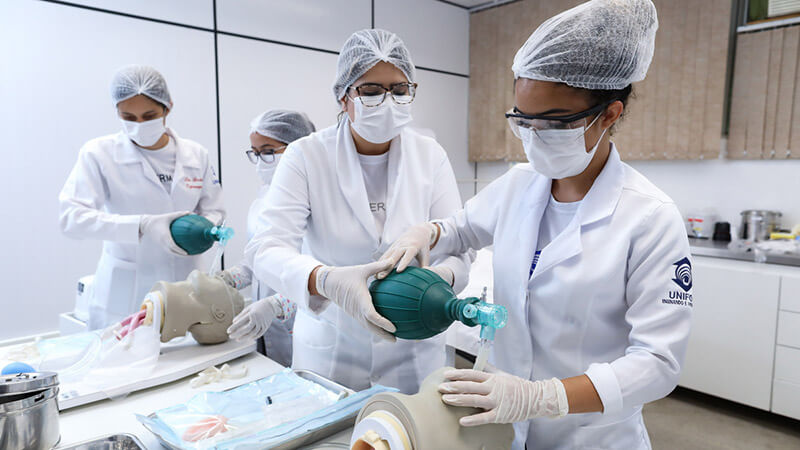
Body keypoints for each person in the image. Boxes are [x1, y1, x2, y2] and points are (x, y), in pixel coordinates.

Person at [380, 1, 692, 448]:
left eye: (553, 123)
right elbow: (461, 228)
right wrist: (425, 233)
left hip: (592, 437)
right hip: (507, 429)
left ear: (610, 114)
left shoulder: (649, 219)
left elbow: (658, 364)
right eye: (523, 120)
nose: (533, 136)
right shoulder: (519, 185)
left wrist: (544, 397)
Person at [245, 29, 471, 394]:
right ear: (343, 97)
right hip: (332, 353)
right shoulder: (306, 156)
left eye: (399, 90)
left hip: (414, 350)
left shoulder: (430, 155)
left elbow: (460, 244)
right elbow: (266, 247)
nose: (388, 101)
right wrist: (325, 280)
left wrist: (437, 280)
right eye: (370, 91)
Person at [59, 65, 225, 330]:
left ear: (168, 107)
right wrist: (141, 226)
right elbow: (71, 219)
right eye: (128, 116)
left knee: (190, 363)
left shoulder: (197, 154)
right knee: (124, 362)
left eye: (149, 116)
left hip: (186, 278)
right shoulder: (99, 153)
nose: (139, 125)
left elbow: (214, 209)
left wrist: (204, 231)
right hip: (125, 289)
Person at [218, 109, 316, 367]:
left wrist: (275, 305)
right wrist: (230, 279)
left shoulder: (319, 200)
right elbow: (259, 262)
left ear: (297, 147)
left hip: (303, 324)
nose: (261, 160)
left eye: (269, 151)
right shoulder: (263, 200)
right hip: (265, 326)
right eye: (255, 152)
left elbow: (323, 278)